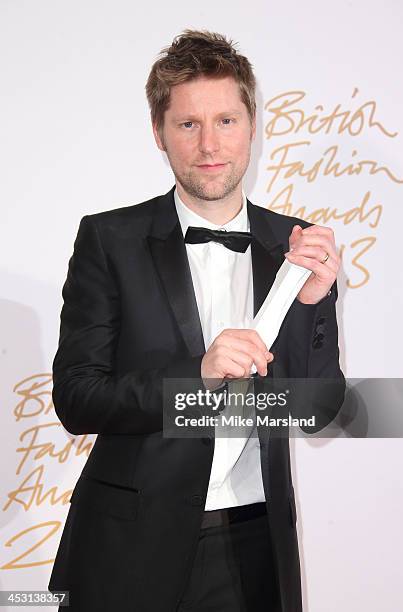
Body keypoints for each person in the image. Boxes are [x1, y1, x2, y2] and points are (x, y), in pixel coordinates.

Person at [48, 30, 345, 612]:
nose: (210, 144)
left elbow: (319, 409)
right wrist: (197, 376)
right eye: (188, 124)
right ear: (158, 133)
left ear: (252, 126)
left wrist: (311, 301)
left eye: (226, 121)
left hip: (257, 542)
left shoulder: (294, 246)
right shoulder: (109, 240)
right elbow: (77, 399)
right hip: (128, 545)